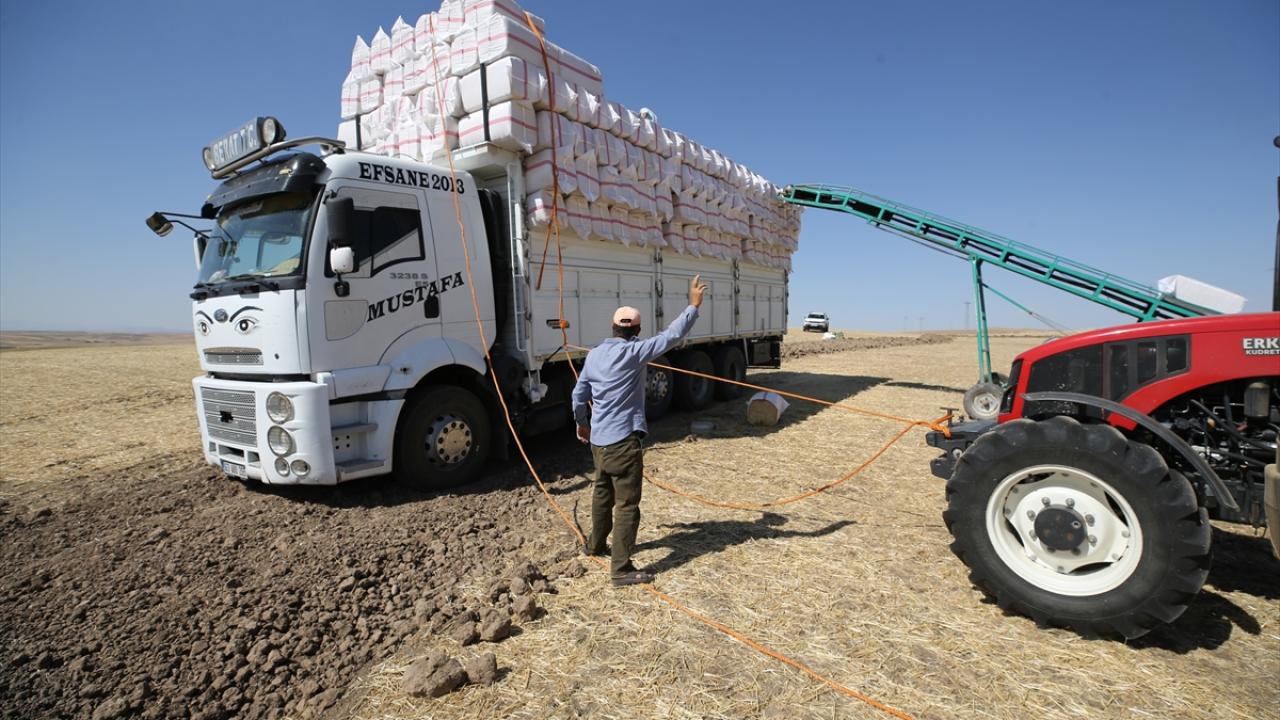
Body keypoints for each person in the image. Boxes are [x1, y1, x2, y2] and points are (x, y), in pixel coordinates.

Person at [571, 274, 708, 586]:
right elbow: (672, 336)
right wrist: (693, 305)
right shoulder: (634, 353)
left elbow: (578, 395)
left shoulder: (593, 355)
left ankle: (594, 544)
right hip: (623, 443)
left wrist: (582, 424)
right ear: (636, 331)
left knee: (602, 493)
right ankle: (620, 569)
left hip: (599, 443)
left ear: (613, 328)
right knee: (628, 505)